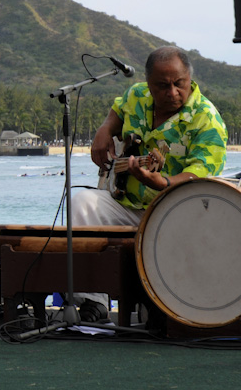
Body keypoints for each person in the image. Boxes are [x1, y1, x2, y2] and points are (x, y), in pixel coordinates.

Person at [73, 46, 227, 322]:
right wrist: (104, 130)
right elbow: (117, 111)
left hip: (175, 215)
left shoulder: (207, 120)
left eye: (179, 84)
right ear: (148, 83)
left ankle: (160, 304)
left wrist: (163, 182)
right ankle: (92, 302)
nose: (172, 93)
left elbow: (200, 176)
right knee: (81, 203)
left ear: (189, 77)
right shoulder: (137, 95)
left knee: (152, 320)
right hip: (126, 204)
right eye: (162, 86)